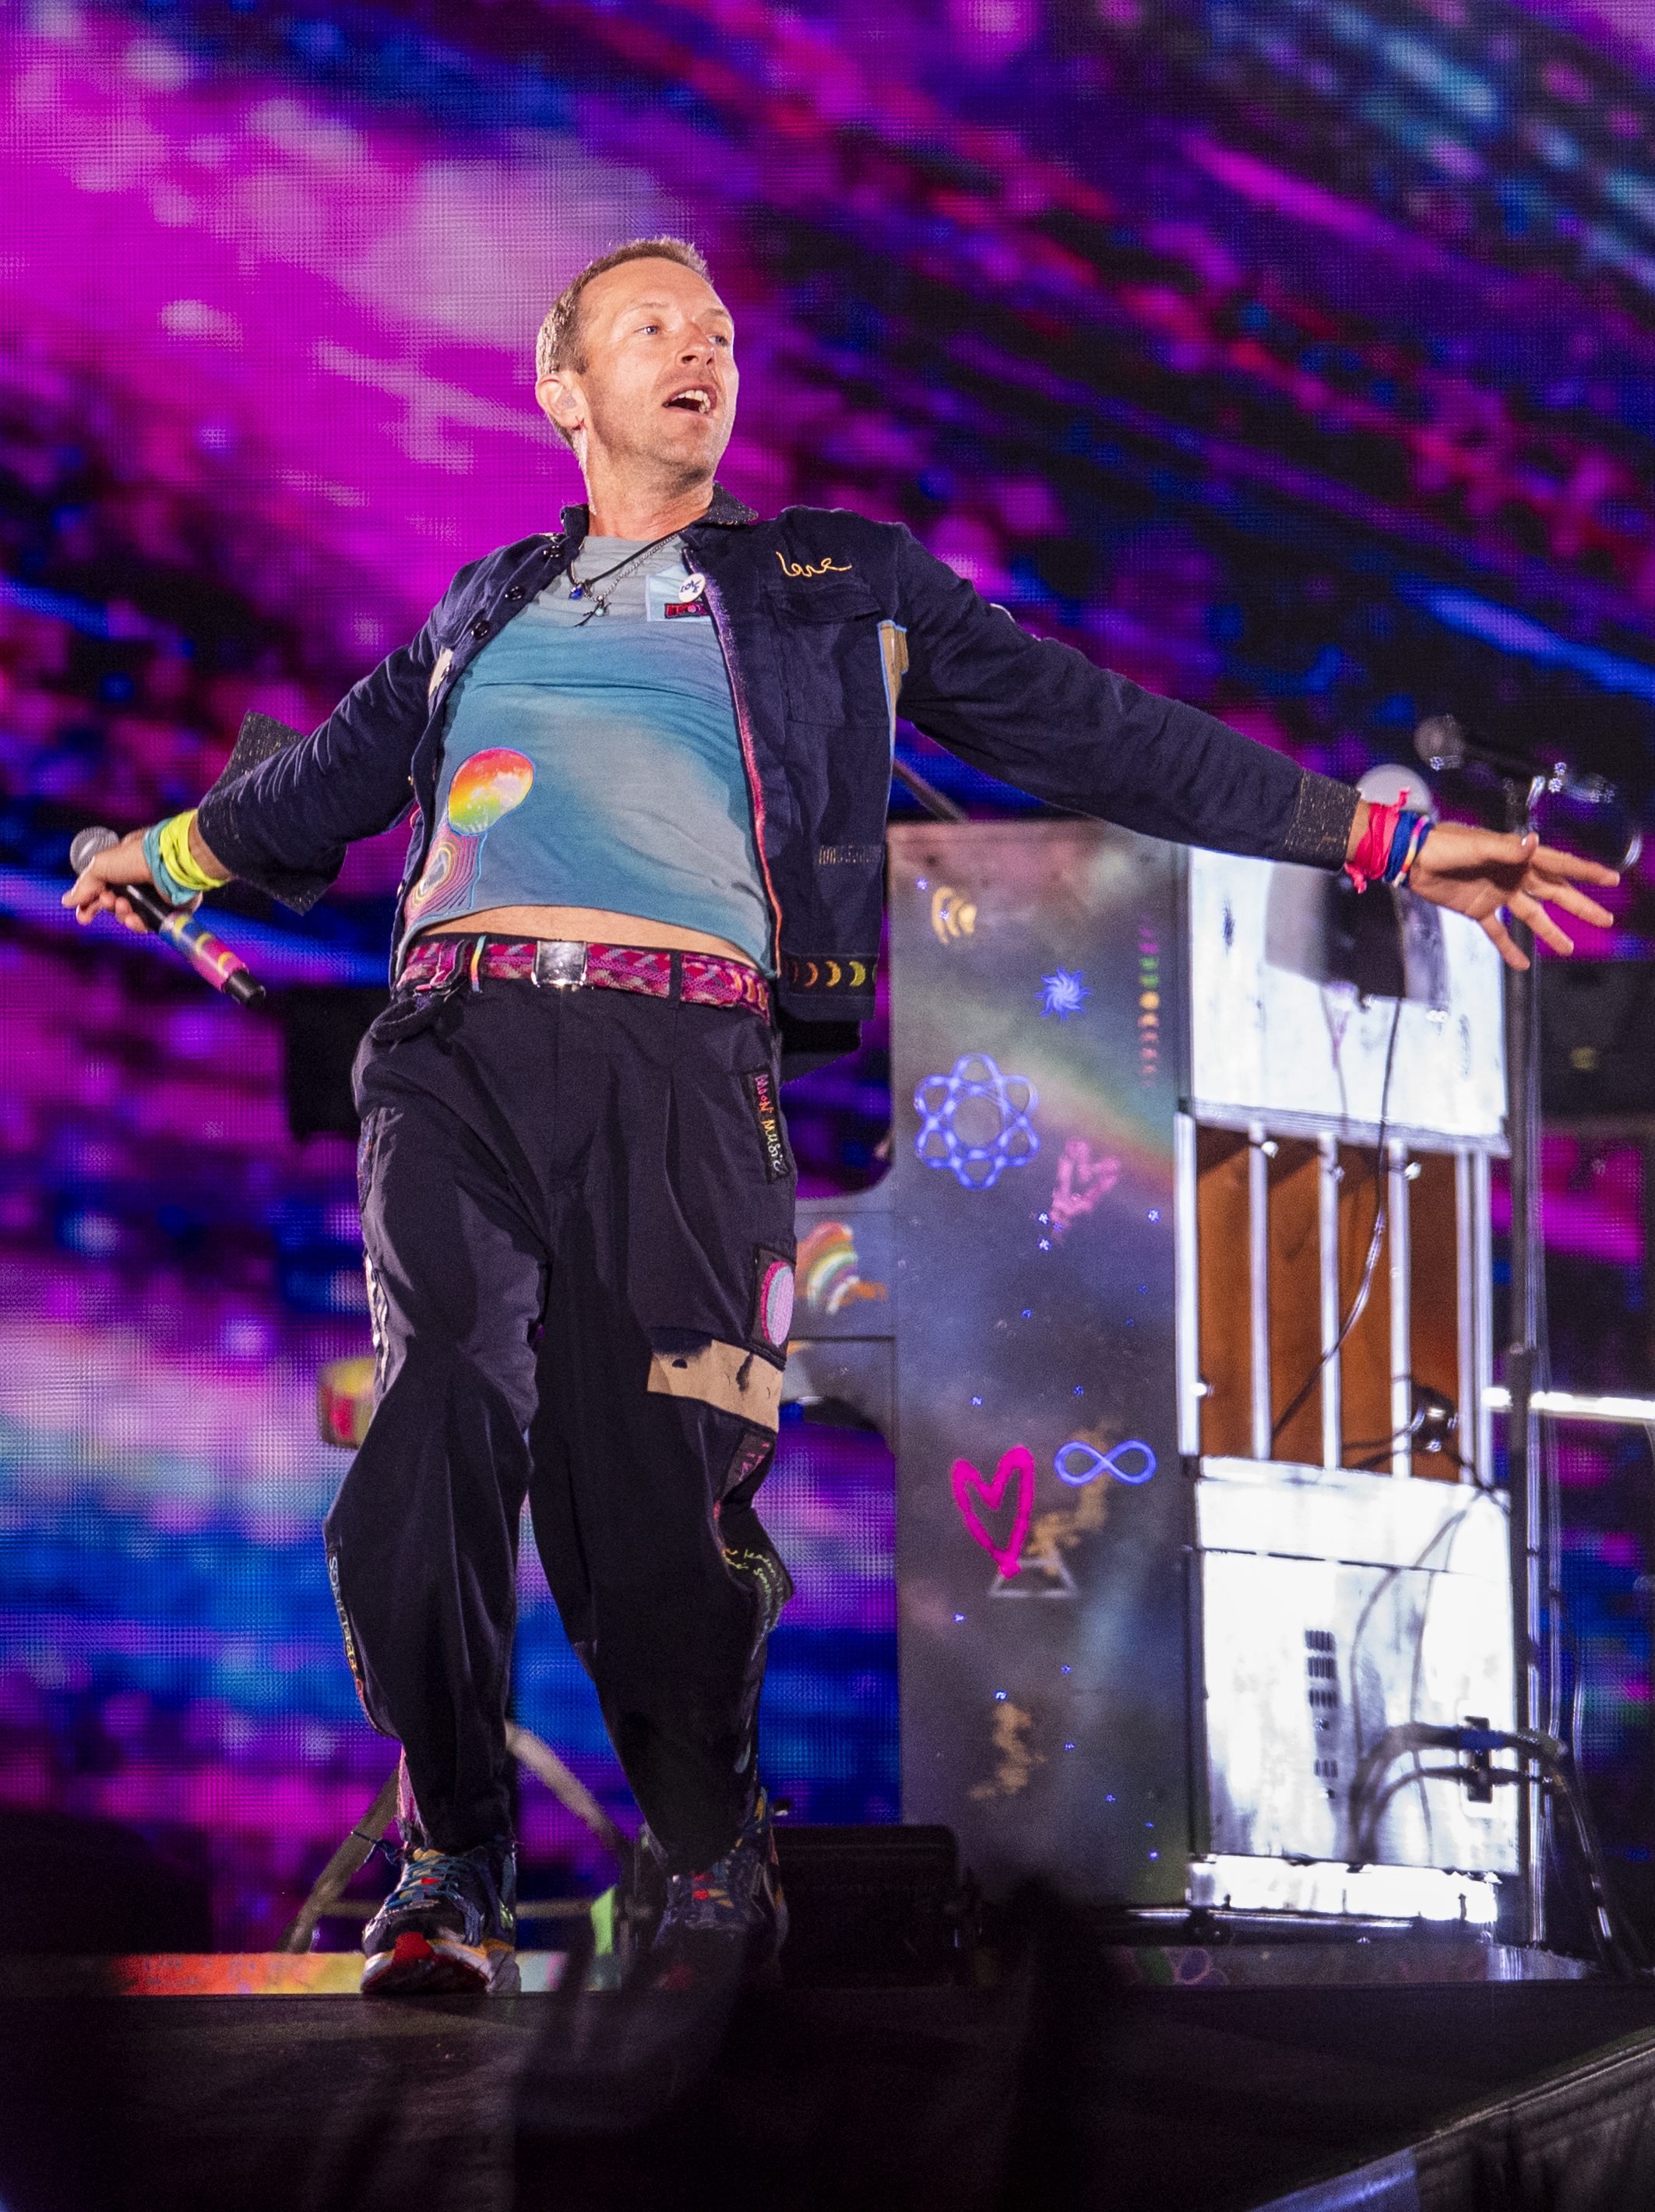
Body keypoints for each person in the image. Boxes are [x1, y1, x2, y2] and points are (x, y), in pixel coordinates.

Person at [65, 236, 1619, 1996]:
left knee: (654, 1502)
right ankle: (450, 1863)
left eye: (718, 330)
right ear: (564, 392)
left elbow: (1099, 731)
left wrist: (1386, 838)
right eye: (652, 325)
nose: (700, 348)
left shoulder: (838, 582)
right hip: (455, 1050)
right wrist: (156, 851)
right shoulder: (478, 608)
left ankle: (714, 1840)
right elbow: (318, 792)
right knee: (433, 1425)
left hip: (685, 1064)